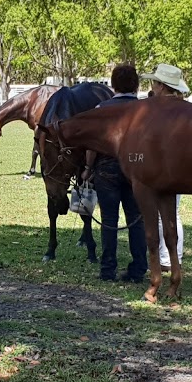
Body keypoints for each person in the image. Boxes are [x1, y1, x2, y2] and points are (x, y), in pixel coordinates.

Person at [81, 64, 147, 282]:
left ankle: (107, 269)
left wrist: (88, 169)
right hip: (136, 168)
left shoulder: (102, 109)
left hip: (106, 169)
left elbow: (92, 144)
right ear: (136, 84)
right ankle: (138, 269)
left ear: (113, 84)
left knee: (109, 220)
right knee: (136, 220)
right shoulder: (146, 110)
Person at [142, 63, 188, 271]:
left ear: (161, 85)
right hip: (179, 164)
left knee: (164, 214)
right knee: (172, 213)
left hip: (162, 166)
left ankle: (167, 259)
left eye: (155, 83)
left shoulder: (158, 109)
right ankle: (171, 258)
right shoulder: (182, 107)